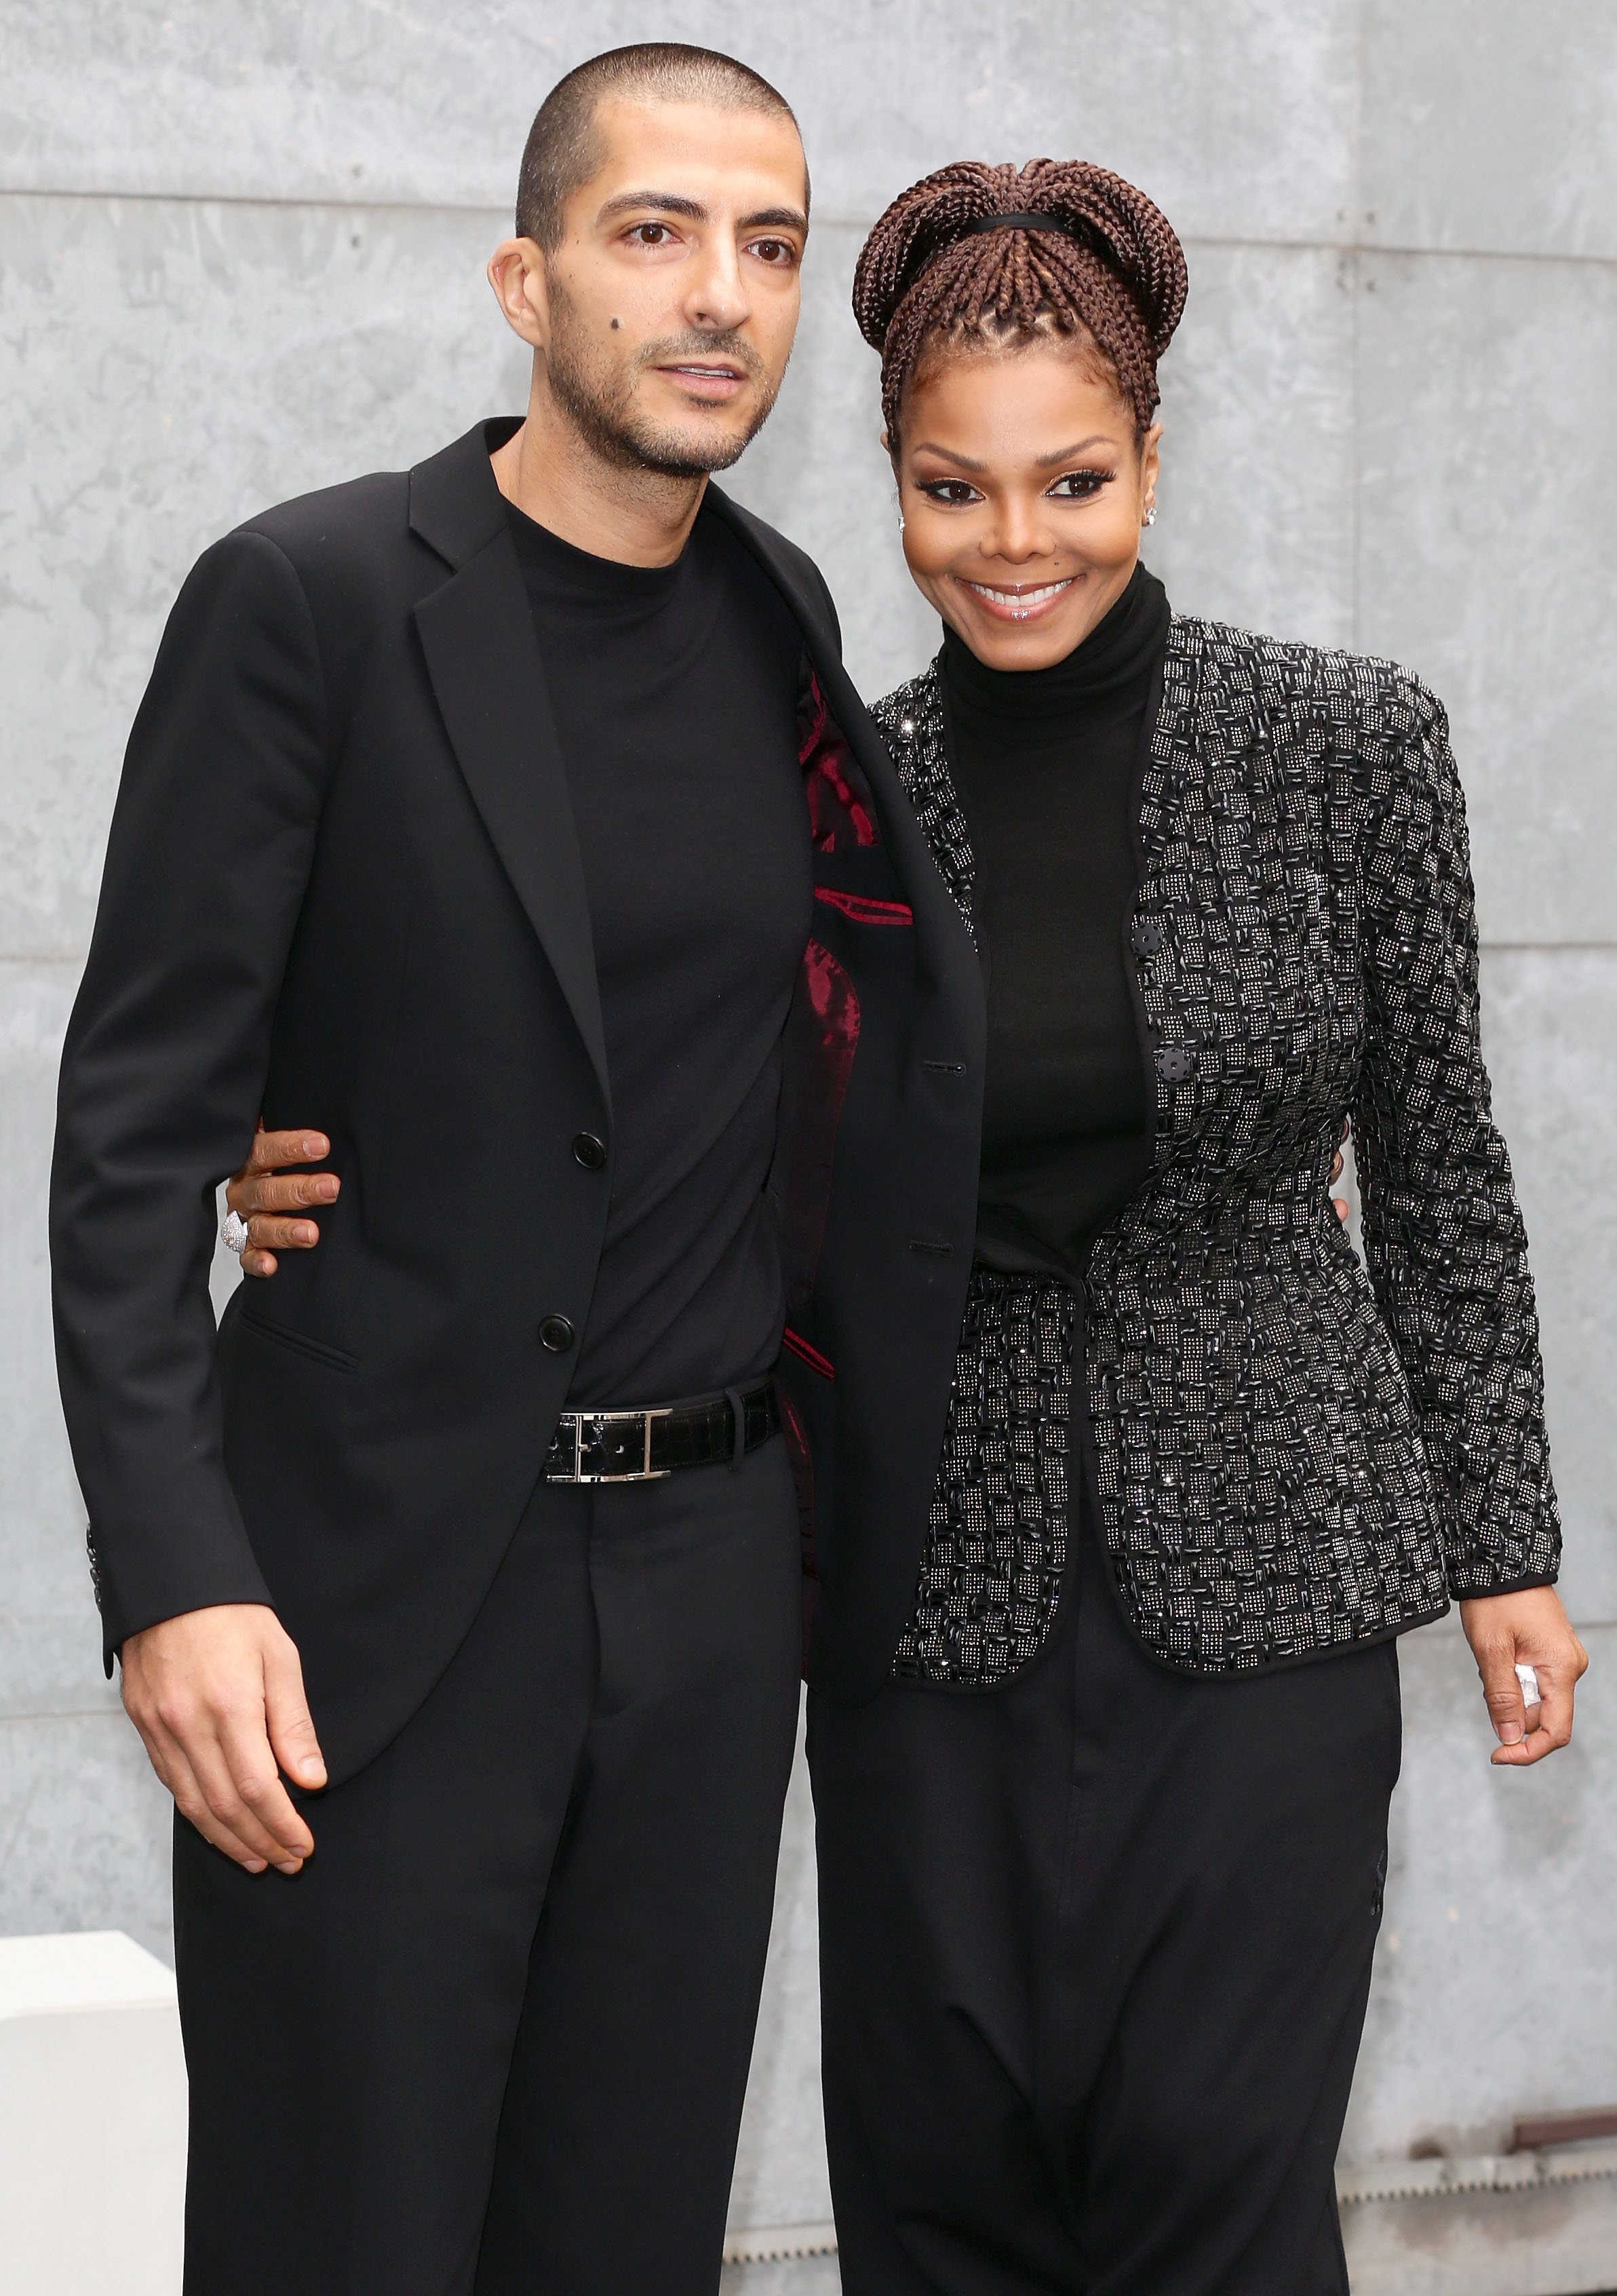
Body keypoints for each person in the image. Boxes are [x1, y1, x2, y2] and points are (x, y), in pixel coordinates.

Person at [49, 45, 986, 2295]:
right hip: (373, 1602)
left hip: (706, 1597)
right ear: (525, 277)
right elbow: (133, 1138)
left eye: (770, 244)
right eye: (655, 232)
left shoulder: (781, 617)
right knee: (341, 2239)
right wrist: (174, 1575)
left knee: (627, 2245)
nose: (720, 294)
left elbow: (828, 1045)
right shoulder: (312, 598)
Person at [797, 159, 1589, 2295]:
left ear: (1152, 458)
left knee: (1219, 2182)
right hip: (926, 1606)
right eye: (953, 490)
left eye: (1071, 480)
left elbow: (1440, 1168)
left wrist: (1506, 1546)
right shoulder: (834, 797)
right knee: (943, 2189)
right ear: (894, 484)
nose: (1015, 540)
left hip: (1276, 1576)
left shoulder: (1346, 748)